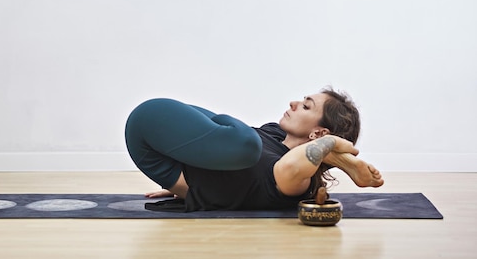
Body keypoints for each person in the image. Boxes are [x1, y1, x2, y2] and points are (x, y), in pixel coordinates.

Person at [124, 87, 384, 212]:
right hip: (167, 146)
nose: (294, 103)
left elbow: (294, 164)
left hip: (159, 156)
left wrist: (336, 144)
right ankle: (336, 156)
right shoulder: (273, 132)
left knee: (247, 144)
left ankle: (334, 154)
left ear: (319, 134)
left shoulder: (299, 183)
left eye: (306, 107)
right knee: (245, 141)